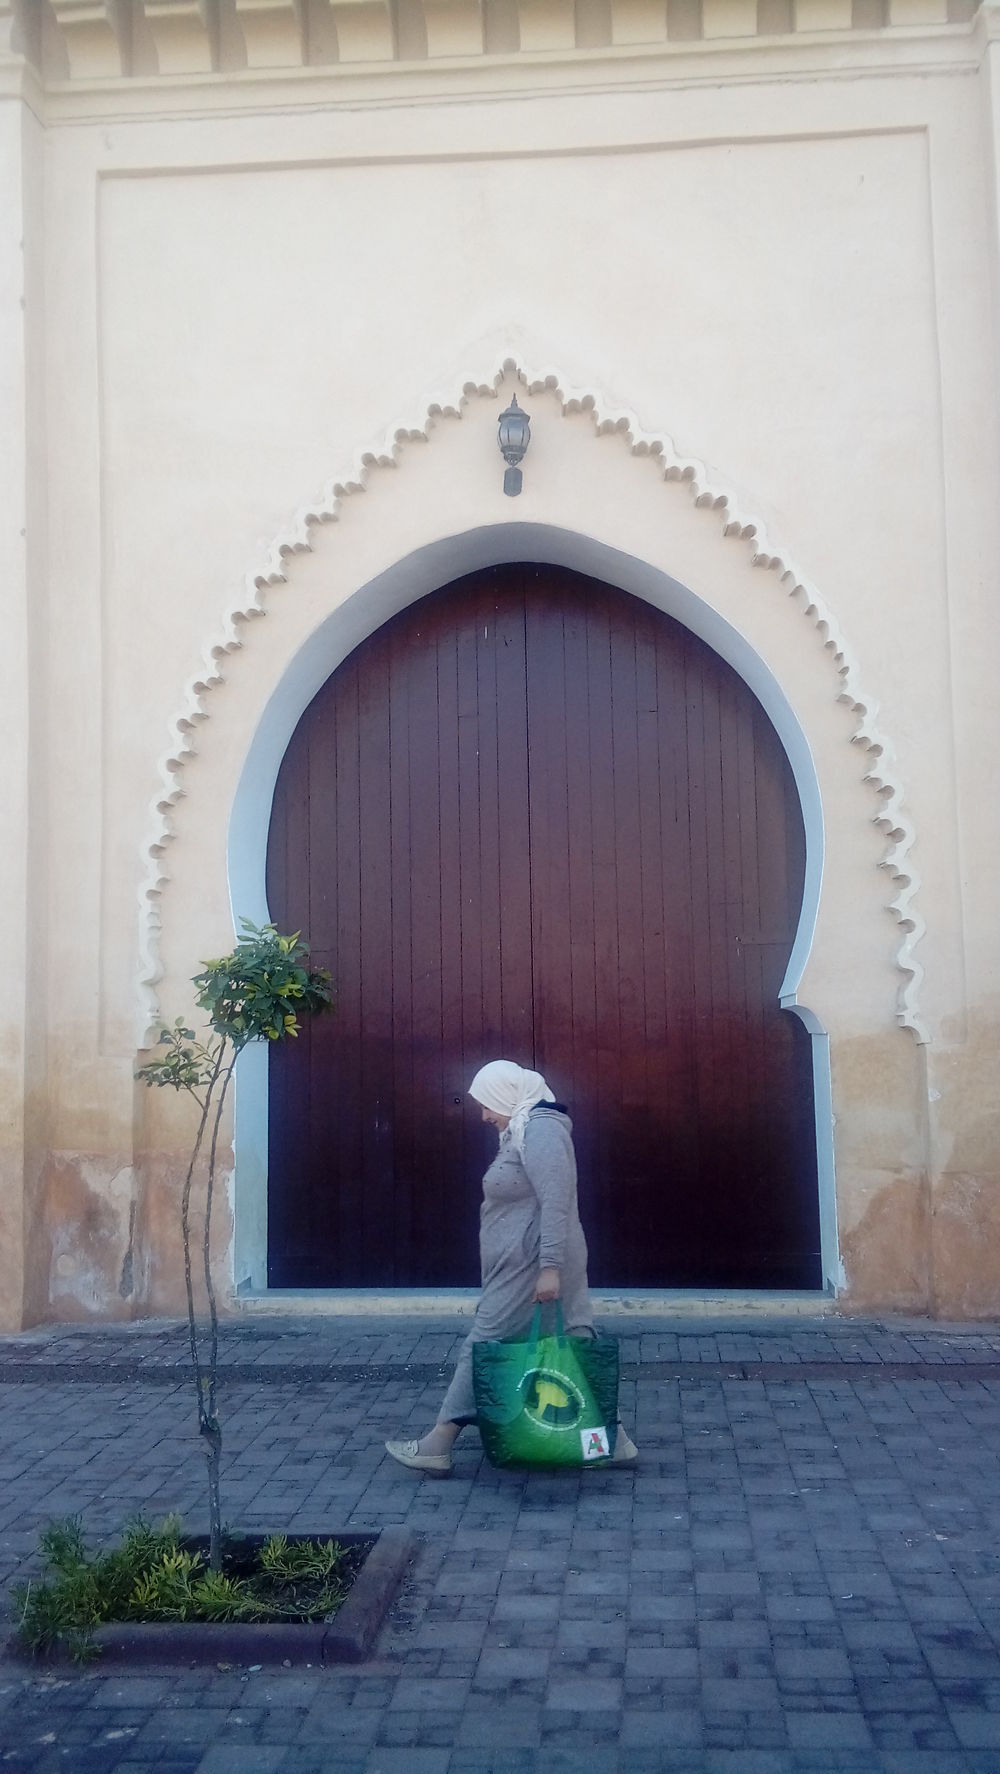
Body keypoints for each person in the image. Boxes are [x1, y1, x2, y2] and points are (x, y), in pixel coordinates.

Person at [384, 1059, 639, 1476]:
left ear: (506, 1095)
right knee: (572, 1338)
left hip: (534, 1263)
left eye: (487, 1104)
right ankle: (615, 1441)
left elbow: (557, 1201)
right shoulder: (522, 1128)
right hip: (528, 1261)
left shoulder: (540, 1130)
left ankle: (438, 1441)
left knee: (486, 1340)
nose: (484, 1115)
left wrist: (550, 1267)